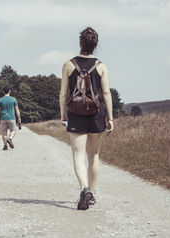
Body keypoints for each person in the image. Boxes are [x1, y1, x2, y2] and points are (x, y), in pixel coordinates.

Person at [59, 27, 114, 210]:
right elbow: (106, 93)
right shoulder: (101, 66)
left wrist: (63, 114)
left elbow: (63, 93)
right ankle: (91, 193)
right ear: (95, 44)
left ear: (80, 43)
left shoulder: (68, 64)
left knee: (78, 154)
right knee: (94, 155)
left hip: (75, 113)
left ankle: (84, 189)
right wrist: (110, 118)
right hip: (97, 114)